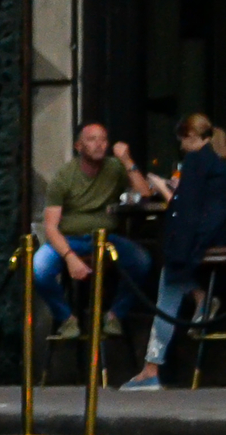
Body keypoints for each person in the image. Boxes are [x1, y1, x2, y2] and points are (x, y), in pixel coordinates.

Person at [124, 114, 226, 389]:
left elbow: (187, 210)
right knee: (175, 277)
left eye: (183, 142)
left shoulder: (197, 160)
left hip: (201, 239)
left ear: (192, 137)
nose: (182, 149)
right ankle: (200, 297)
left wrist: (163, 188)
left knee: (168, 284)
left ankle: (151, 368)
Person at [32, 121, 160, 339]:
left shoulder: (114, 168)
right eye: (92, 140)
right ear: (78, 146)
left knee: (142, 262)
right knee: (40, 268)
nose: (100, 145)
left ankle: (114, 315)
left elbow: (145, 194)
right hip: (69, 239)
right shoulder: (64, 177)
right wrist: (70, 257)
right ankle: (66, 318)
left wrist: (127, 160)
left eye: (103, 139)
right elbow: (51, 227)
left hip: (105, 239)